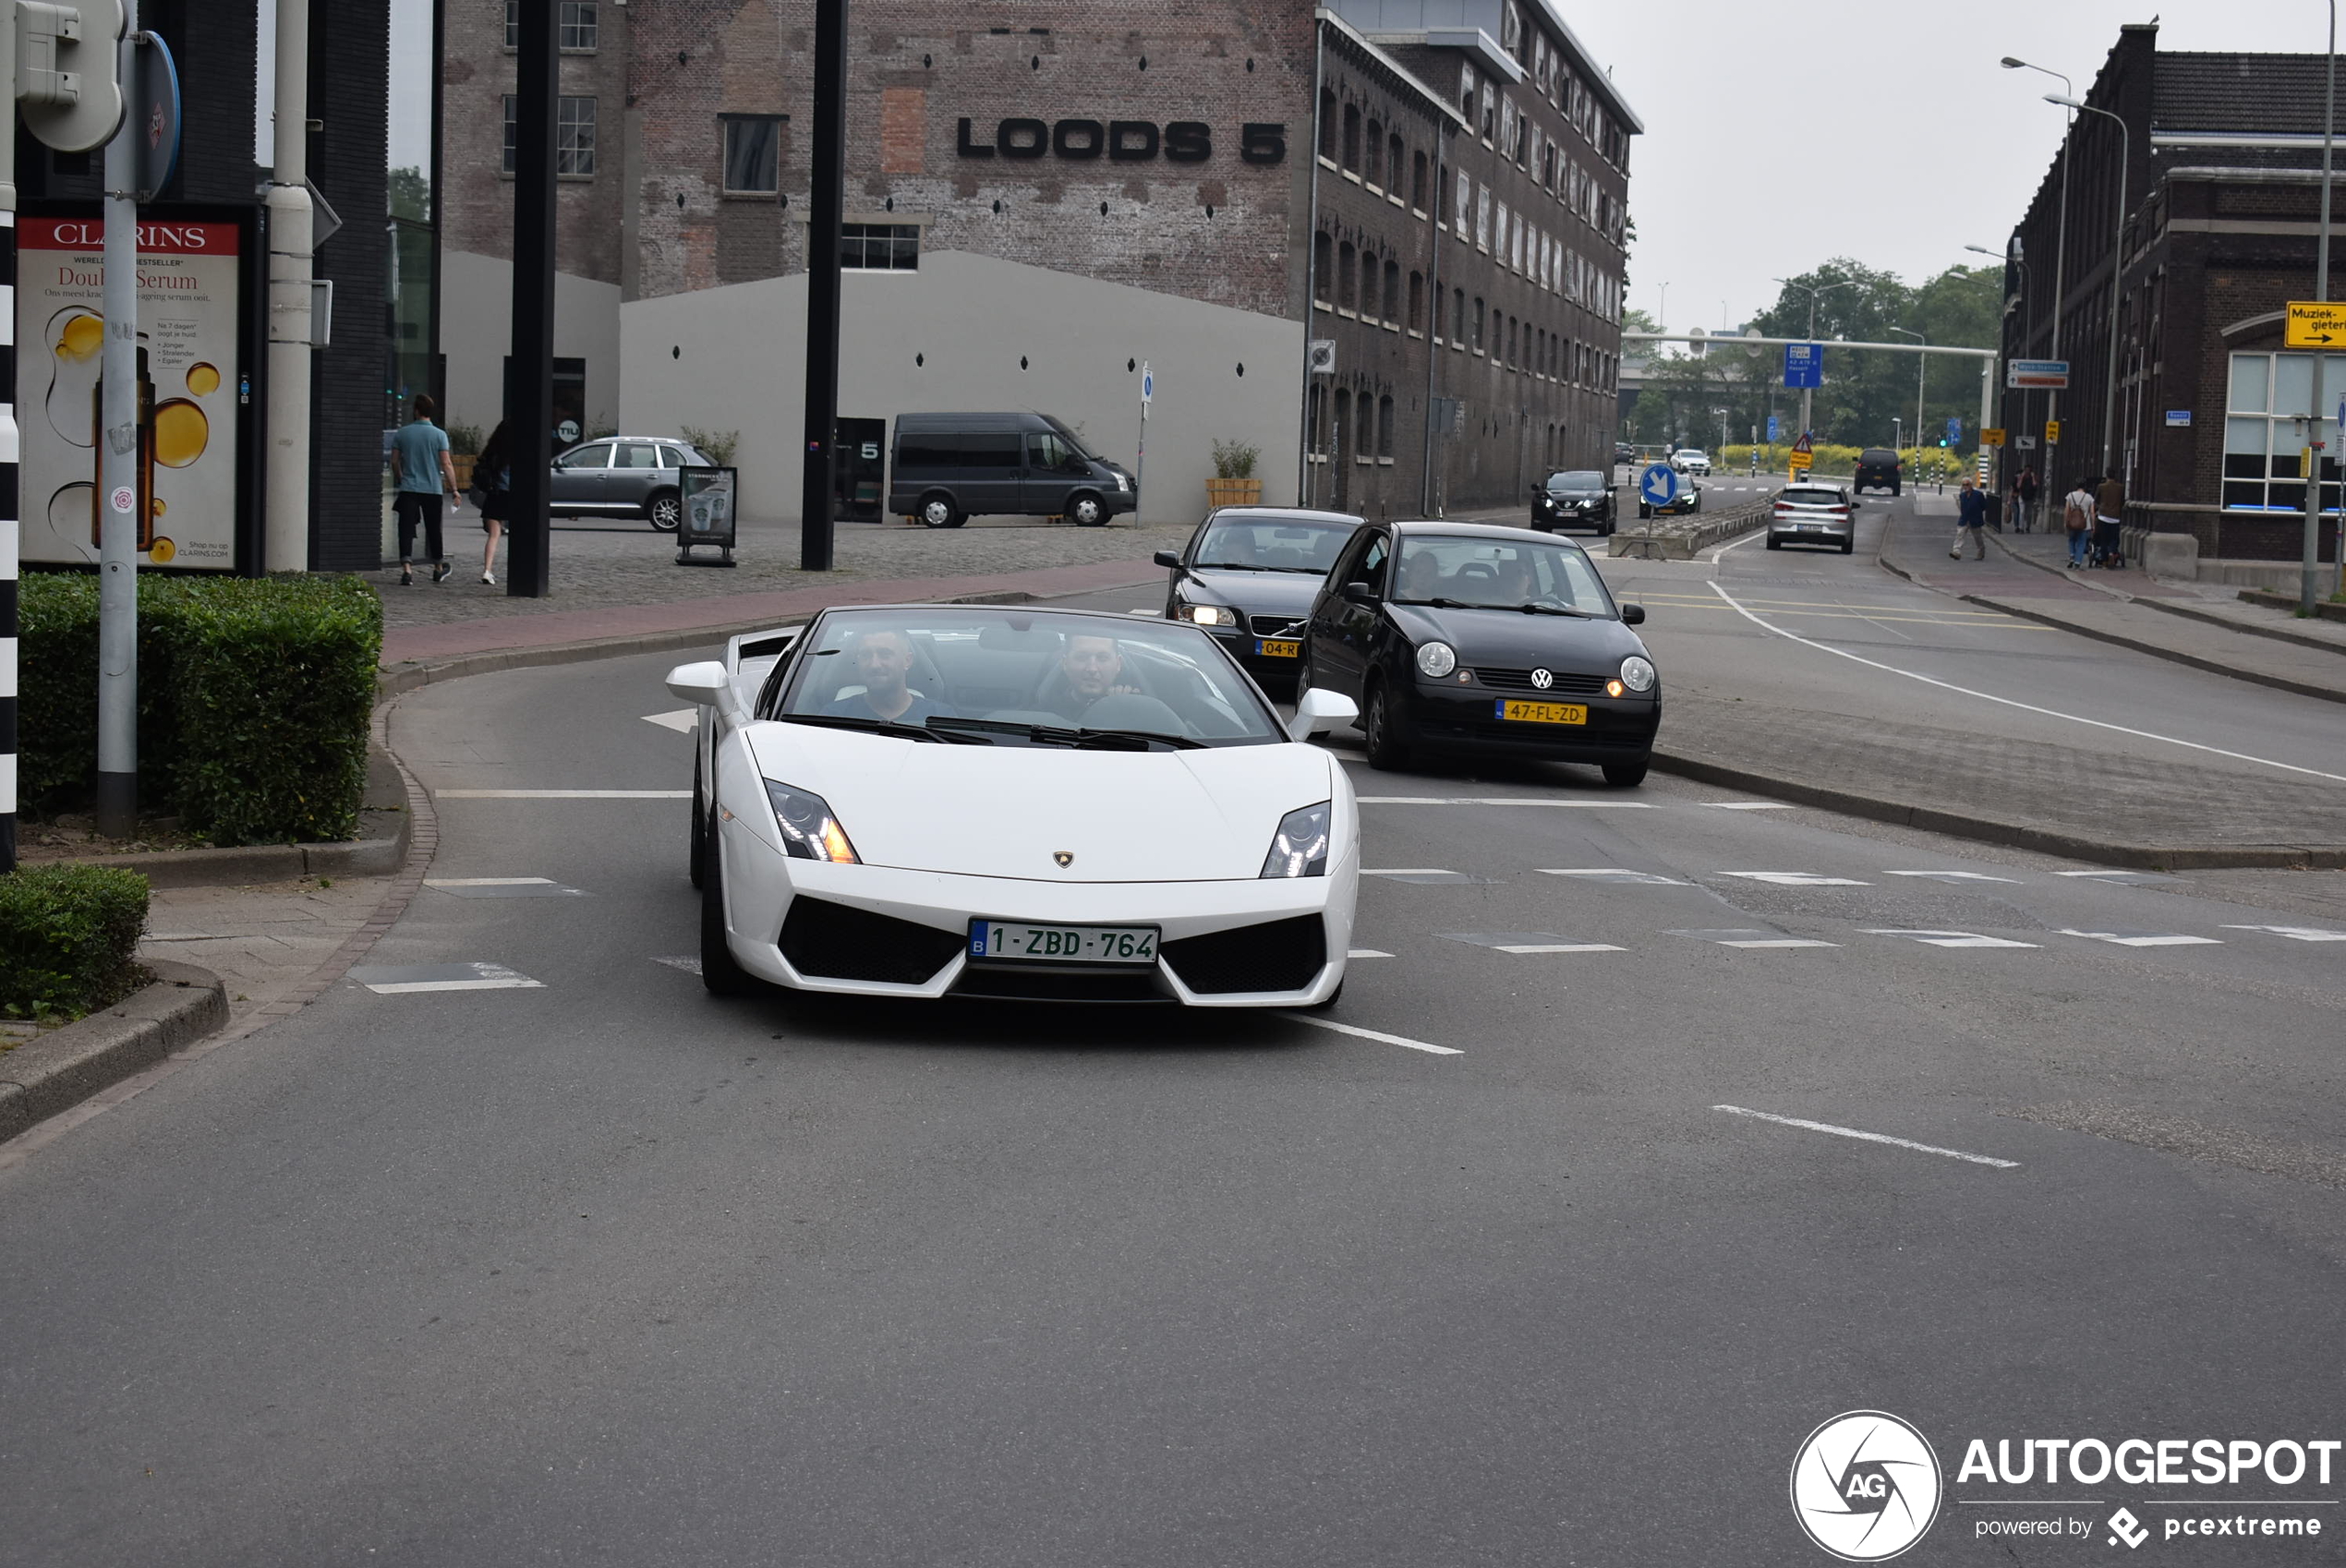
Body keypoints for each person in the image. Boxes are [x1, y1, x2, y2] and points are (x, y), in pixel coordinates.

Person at [389, 394, 458, 585]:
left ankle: (407, 569)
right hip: (432, 488)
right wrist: (454, 489)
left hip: (409, 487)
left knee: (405, 527)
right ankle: (437, 567)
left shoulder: (403, 433)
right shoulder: (439, 435)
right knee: (433, 528)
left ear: (416, 411)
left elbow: (394, 461)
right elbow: (446, 463)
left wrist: (401, 477)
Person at [823, 628, 951, 725]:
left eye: (885, 654)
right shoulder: (833, 717)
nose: (874, 665)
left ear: (907, 661)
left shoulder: (939, 718)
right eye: (866, 655)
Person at [1044, 633, 1142, 721]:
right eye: (1081, 657)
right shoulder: (1042, 717)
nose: (1092, 668)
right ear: (1065, 663)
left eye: (1102, 658)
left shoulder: (1139, 714)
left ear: (1118, 664)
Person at [471, 420, 514, 585]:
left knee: (493, 535)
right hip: (510, 496)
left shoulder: (491, 451)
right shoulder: (516, 453)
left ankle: (487, 570)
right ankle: (517, 569)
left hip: (494, 496)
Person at [1951, 475, 1989, 560]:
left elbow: (1983, 506)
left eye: (1967, 484)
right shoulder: (1962, 495)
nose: (1965, 486)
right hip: (1964, 519)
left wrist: (1977, 513)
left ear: (1971, 485)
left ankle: (1981, 551)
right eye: (1963, 485)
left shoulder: (1978, 495)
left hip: (1975, 519)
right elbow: (1962, 506)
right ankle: (1956, 551)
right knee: (1960, 534)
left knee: (1977, 537)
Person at [2093, 471, 2127, 569]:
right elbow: (2122, 502)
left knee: (2103, 539)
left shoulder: (2101, 487)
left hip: (2103, 517)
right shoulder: (2121, 488)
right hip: (2115, 517)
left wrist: (2100, 508)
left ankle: (2104, 562)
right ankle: (2112, 552)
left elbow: (2096, 501)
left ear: (2107, 476)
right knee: (2114, 538)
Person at [2063, 475, 2097, 569]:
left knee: (2071, 540)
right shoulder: (2089, 497)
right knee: (2082, 542)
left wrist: (2066, 521)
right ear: (2085, 486)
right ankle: (2078, 561)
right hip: (2084, 524)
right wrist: (2093, 525)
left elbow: (2066, 510)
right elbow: (2092, 512)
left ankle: (2072, 555)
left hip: (2072, 523)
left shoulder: (2070, 495)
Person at [2016, 465, 2040, 533]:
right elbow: (2018, 486)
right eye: (2026, 470)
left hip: (2030, 498)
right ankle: (2021, 528)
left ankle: (2028, 527)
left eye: (2028, 471)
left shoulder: (2034, 477)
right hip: (2022, 497)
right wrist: (2022, 477)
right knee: (2022, 512)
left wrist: (2033, 477)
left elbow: (2035, 485)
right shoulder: (2021, 477)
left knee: (2029, 514)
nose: (2027, 472)